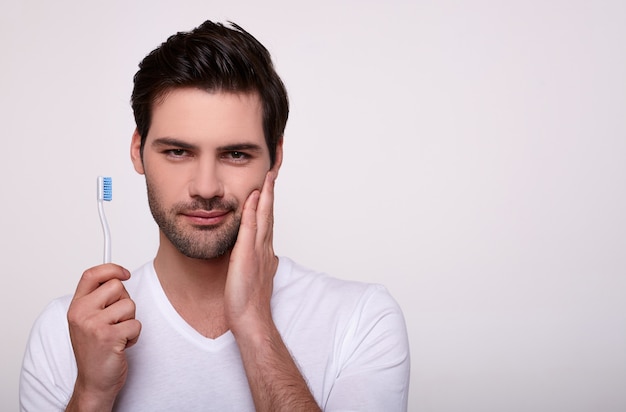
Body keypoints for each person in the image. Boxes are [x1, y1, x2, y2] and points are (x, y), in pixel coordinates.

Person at [19, 20, 410, 411]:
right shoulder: (65, 332)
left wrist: (254, 325)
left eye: (236, 154)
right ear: (138, 151)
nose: (206, 187)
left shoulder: (362, 320)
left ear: (276, 157)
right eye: (178, 152)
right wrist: (92, 393)